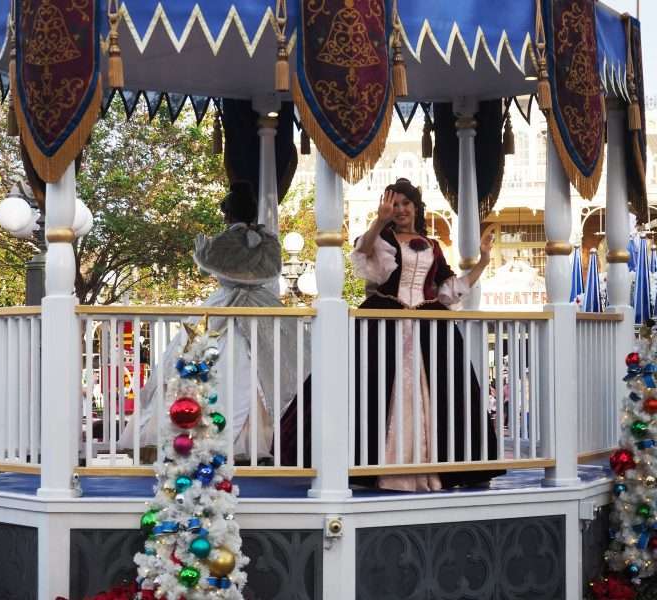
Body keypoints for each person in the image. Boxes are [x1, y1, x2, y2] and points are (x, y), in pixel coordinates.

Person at [119, 182, 309, 460]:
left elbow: (213, 263)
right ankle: (258, 437)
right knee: (266, 365)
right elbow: (269, 271)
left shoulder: (227, 241)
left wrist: (202, 251)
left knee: (204, 358)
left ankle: (198, 434)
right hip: (260, 306)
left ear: (228, 215)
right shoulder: (268, 242)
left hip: (227, 304)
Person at [350, 178, 503, 491]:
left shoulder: (432, 245)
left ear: (416, 208)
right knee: (375, 388)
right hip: (388, 322)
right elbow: (364, 254)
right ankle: (381, 466)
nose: (401, 209)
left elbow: (451, 289)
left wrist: (484, 260)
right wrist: (378, 222)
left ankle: (440, 465)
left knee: (447, 390)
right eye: (395, 204)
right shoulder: (382, 237)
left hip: (428, 323)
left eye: (406, 203)